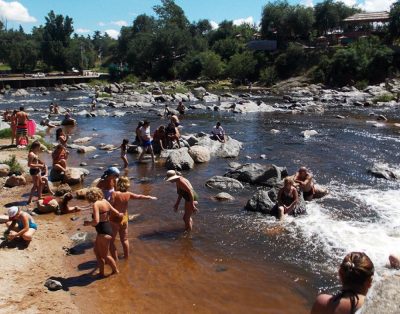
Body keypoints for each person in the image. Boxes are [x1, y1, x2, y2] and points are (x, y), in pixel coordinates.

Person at [109, 176, 157, 260]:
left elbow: (110, 206)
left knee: (111, 241)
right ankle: (126, 258)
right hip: (124, 219)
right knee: (124, 239)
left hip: (115, 219)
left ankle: (115, 260)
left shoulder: (114, 194)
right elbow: (139, 196)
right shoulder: (128, 194)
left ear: (118, 184)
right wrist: (149, 197)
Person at [84, 187, 123, 277]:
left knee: (105, 256)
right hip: (106, 230)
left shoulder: (96, 204)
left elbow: (96, 221)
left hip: (103, 232)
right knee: (96, 251)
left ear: (90, 196)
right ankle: (101, 272)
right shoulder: (105, 201)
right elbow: (116, 212)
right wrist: (121, 216)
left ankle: (115, 271)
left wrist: (88, 223)